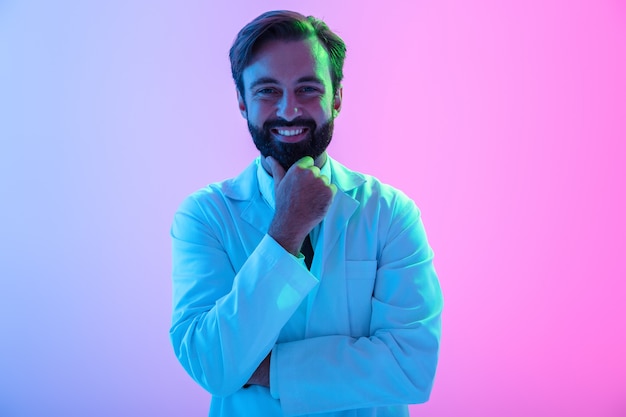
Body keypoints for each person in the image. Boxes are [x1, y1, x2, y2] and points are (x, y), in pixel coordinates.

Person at [170, 10, 443, 417]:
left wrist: (266, 368)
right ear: (243, 102)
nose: (289, 110)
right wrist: (287, 229)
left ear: (337, 97)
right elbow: (212, 365)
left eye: (308, 89)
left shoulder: (390, 213)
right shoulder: (205, 217)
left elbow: (412, 368)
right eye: (267, 91)